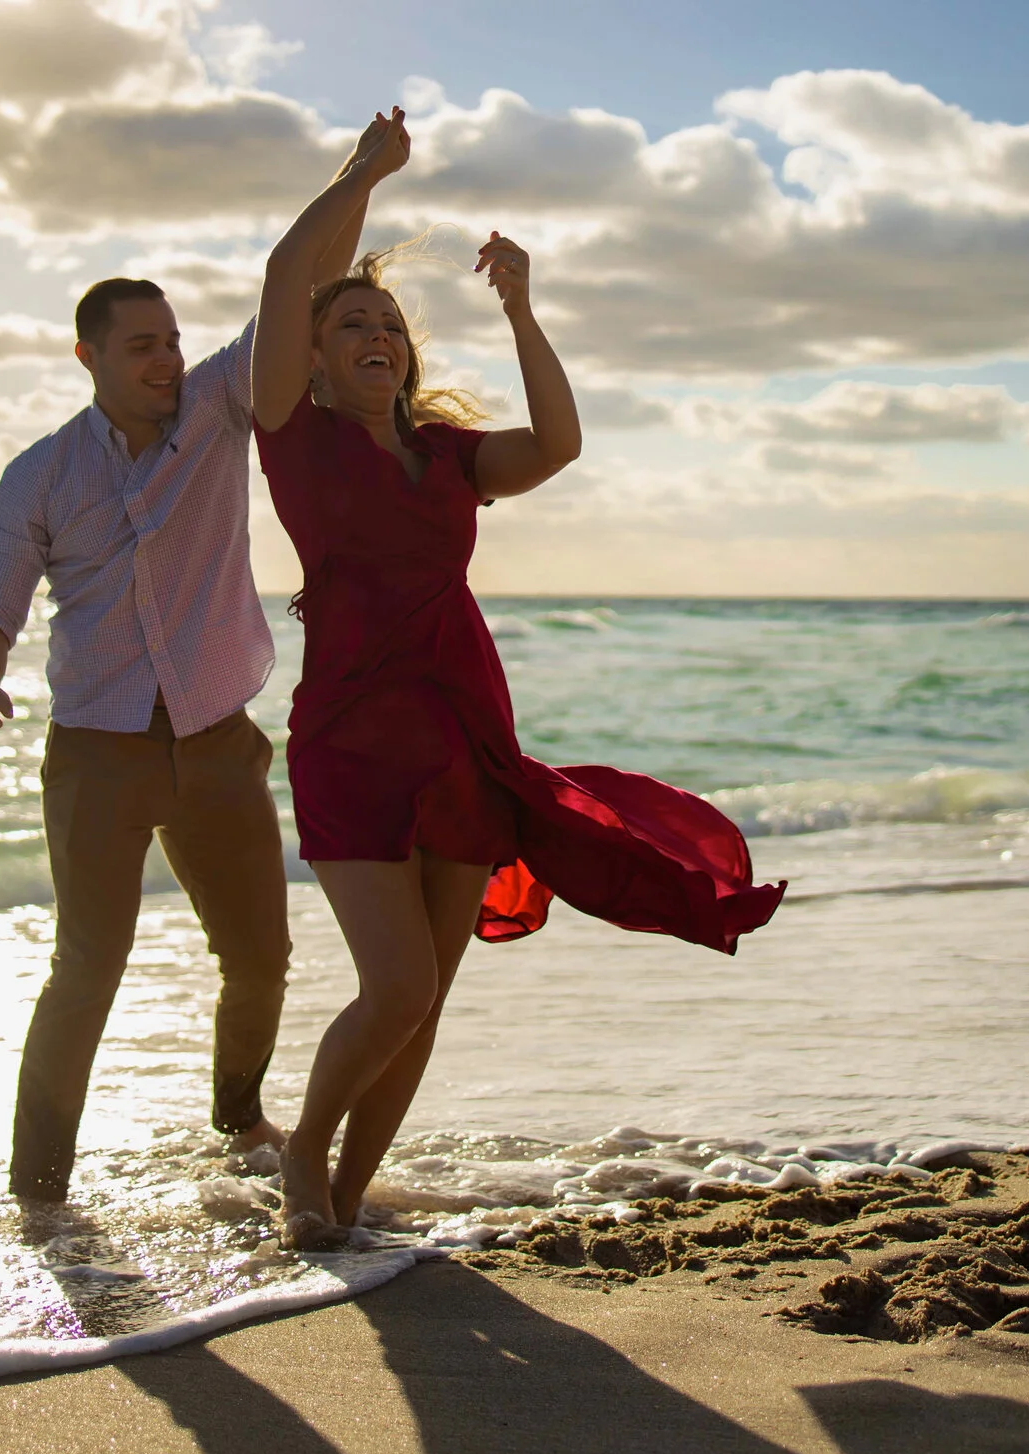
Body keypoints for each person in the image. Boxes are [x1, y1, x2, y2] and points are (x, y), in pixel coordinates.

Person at [251, 109, 786, 1251]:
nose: (373, 334)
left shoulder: (450, 457)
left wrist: (523, 310)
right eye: (349, 323)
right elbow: (284, 270)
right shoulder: (293, 433)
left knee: (425, 1002)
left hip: (460, 739)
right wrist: (363, 174)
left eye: (387, 322)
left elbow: (557, 444)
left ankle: (344, 1206)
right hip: (346, 739)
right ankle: (302, 1149)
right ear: (313, 353)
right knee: (392, 986)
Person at [0, 187, 374, 1204]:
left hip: (217, 743)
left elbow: (302, 298)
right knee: (85, 971)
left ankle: (238, 1120)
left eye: (173, 339)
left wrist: (362, 180)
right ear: (89, 356)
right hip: (98, 754)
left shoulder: (220, 408)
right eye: (141, 343)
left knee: (261, 958)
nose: (165, 359)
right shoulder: (41, 474)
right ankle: (39, 1188)